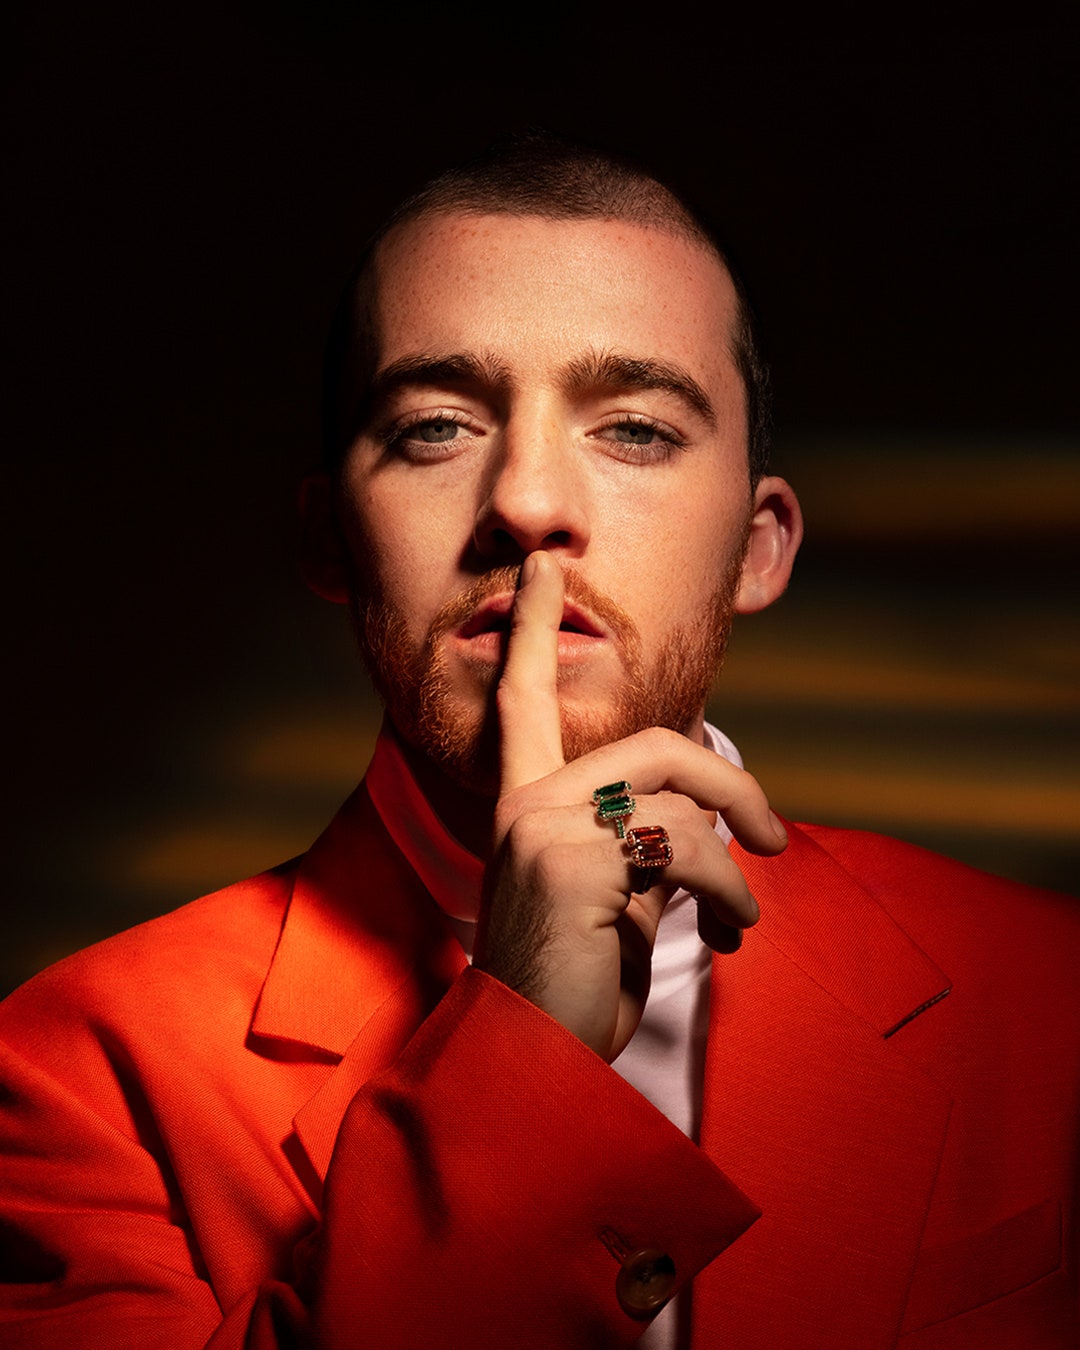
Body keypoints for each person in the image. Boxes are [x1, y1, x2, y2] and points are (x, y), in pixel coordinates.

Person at [1, 137, 1077, 1349]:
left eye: (637, 431)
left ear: (757, 548)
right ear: (331, 540)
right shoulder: (74, 1078)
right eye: (435, 427)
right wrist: (522, 1050)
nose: (525, 503)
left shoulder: (1054, 1003)